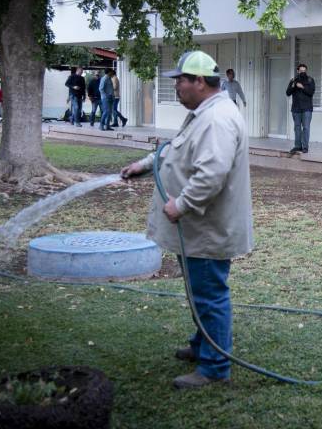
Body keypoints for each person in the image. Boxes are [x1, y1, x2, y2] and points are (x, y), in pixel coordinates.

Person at [120, 50, 253, 389]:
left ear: (199, 82)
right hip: (198, 228)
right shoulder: (203, 112)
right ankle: (202, 345)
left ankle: (214, 368)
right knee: (199, 290)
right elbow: (177, 148)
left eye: (180, 80)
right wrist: (146, 164)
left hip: (207, 228)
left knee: (209, 293)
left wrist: (181, 205)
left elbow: (211, 174)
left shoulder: (217, 118)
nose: (176, 86)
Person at [285, 64, 315, 154]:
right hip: (296, 108)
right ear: (297, 71)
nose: (303, 72)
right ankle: (297, 146)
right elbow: (287, 93)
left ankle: (305, 147)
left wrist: (302, 87)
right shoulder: (293, 80)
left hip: (307, 109)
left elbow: (311, 92)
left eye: (304, 71)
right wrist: (294, 86)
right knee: (297, 128)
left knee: (306, 128)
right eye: (301, 71)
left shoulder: (310, 80)